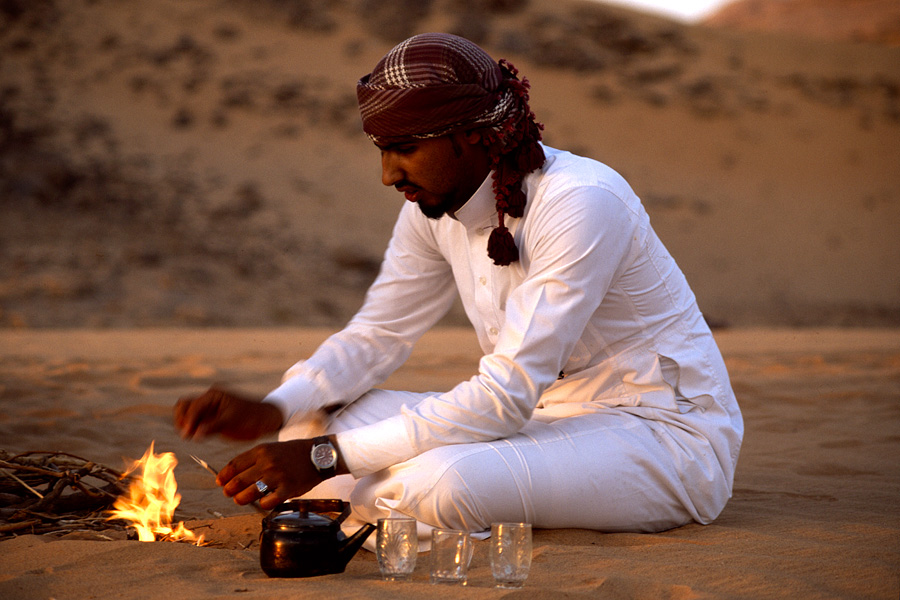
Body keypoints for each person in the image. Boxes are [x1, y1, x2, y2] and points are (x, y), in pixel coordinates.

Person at [174, 33, 743, 539]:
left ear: (471, 135)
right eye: (381, 150)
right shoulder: (430, 208)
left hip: (660, 437)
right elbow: (378, 334)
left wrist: (323, 462)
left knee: (441, 482)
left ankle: (359, 507)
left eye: (404, 150)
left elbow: (503, 397)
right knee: (314, 422)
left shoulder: (581, 201)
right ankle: (373, 506)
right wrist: (277, 411)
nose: (388, 175)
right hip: (538, 424)